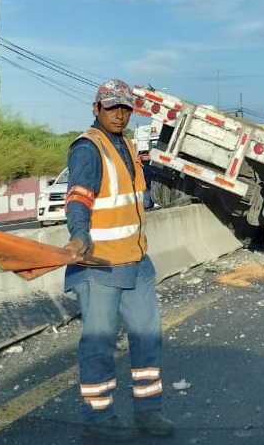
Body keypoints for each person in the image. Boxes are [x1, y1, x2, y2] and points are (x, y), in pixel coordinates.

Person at [63, 79, 174, 442]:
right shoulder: (88, 148)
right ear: (97, 109)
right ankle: (98, 421)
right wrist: (78, 234)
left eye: (125, 107)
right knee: (99, 343)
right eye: (112, 107)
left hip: (136, 263)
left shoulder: (127, 145)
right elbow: (78, 196)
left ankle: (148, 413)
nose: (120, 113)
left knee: (148, 337)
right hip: (99, 266)